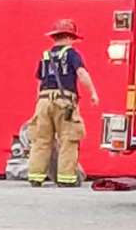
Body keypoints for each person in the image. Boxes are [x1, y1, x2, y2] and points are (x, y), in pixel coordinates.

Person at [27, 19, 99, 187]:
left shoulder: (45, 56)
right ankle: (66, 178)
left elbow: (40, 80)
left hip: (43, 101)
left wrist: (39, 101)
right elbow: (81, 74)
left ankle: (35, 177)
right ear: (69, 37)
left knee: (41, 140)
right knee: (69, 139)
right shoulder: (71, 54)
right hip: (64, 101)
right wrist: (93, 93)